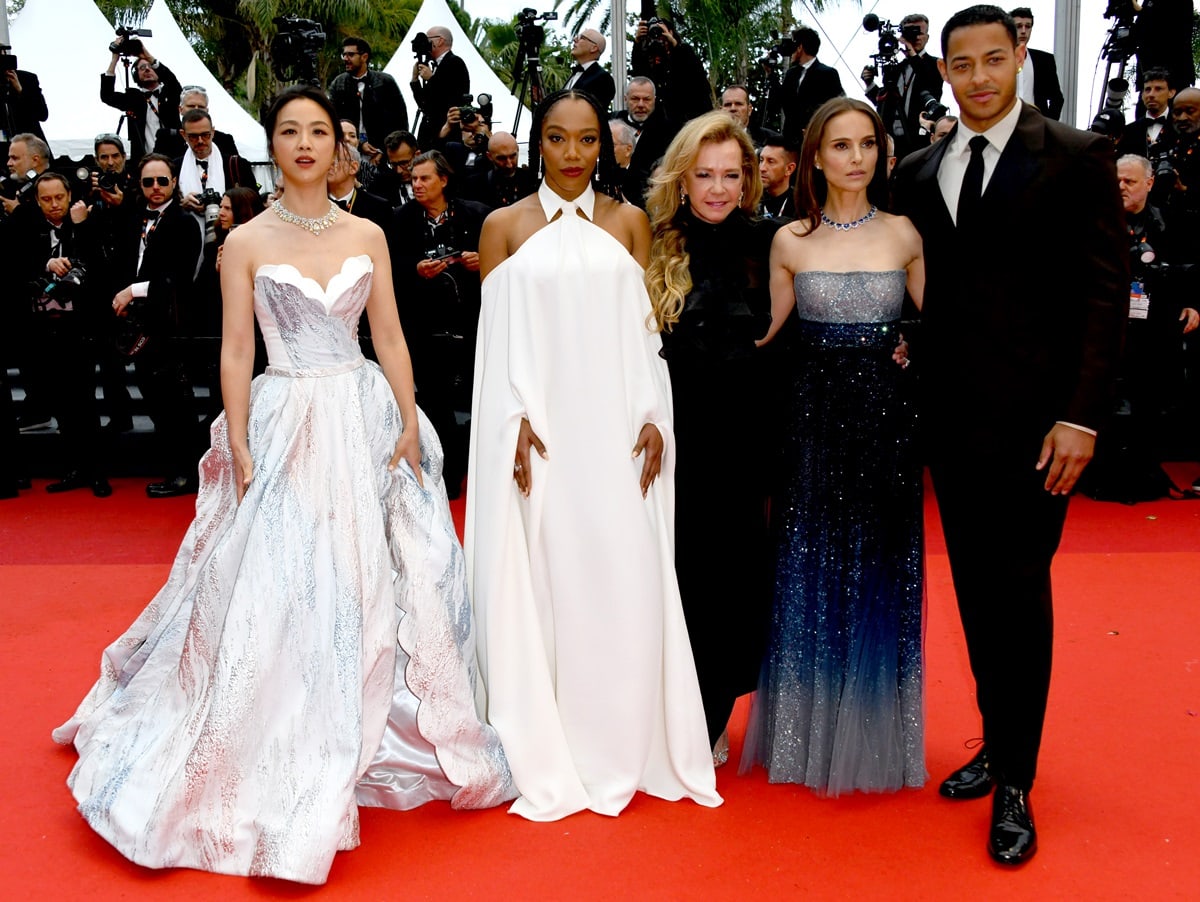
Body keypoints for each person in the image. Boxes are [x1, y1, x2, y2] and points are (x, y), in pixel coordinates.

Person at [52, 84, 514, 886]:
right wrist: (235, 436)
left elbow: (392, 336)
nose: (305, 143)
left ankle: (367, 718)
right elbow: (237, 350)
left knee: (374, 580)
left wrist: (408, 421)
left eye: (319, 132)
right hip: (285, 417)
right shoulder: (247, 241)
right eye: (290, 131)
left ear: (340, 146)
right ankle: (279, 728)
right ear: (273, 144)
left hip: (361, 414)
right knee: (282, 581)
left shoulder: (369, 230)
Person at [892, 5, 1127, 865]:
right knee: (979, 597)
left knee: (1019, 591)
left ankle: (1017, 780)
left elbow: (1105, 296)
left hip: (1041, 429)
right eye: (964, 63)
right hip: (952, 427)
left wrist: (1083, 415)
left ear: (1021, 57)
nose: (981, 77)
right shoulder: (917, 171)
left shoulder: (1074, 156)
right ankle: (997, 742)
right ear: (945, 71)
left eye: (996, 59)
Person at [467, 89, 721, 821]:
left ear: (603, 148)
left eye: (586, 141)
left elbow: (644, 334)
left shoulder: (629, 222)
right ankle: (547, 737)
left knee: (621, 571)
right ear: (537, 143)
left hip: (615, 429)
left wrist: (652, 415)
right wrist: (508, 421)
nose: (573, 154)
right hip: (540, 430)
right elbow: (495, 345)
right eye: (556, 139)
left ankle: (626, 736)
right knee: (546, 573)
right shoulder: (502, 226)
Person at [739, 97, 926, 798]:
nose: (855, 158)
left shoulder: (906, 234)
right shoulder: (789, 240)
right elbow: (766, 336)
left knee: (877, 569)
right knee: (811, 568)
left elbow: (940, 328)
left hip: (885, 424)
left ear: (881, 153)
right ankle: (807, 729)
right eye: (840, 145)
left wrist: (911, 349)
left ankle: (871, 729)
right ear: (814, 156)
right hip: (811, 423)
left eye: (867, 145)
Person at [644, 111, 781, 765]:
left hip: (744, 442)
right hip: (670, 441)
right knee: (673, 573)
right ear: (682, 177)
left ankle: (712, 714)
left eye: (731, 174)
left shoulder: (770, 245)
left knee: (731, 580)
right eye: (705, 175)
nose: (718, 188)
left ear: (748, 178)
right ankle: (666, 704)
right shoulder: (652, 244)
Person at [393, 150, 488, 500]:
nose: (416, 185)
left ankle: (476, 468)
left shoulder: (477, 214)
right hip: (425, 328)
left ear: (443, 180)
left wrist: (484, 260)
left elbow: (504, 258)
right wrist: (415, 270)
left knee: (478, 400)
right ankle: (446, 475)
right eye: (413, 179)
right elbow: (391, 268)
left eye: (424, 178)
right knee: (434, 404)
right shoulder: (401, 219)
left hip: (471, 324)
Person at [100, 38, 182, 164]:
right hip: (144, 160)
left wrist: (147, 55)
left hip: (174, 158)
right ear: (136, 75)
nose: (147, 70)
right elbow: (107, 95)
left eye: (150, 67)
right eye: (142, 67)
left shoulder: (170, 93)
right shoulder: (134, 98)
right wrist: (114, 59)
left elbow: (170, 79)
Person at [329, 36, 408, 161]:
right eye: (344, 55)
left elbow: (399, 120)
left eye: (350, 54)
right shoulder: (339, 83)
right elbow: (332, 120)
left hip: (382, 153)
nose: (345, 58)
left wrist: (384, 150)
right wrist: (360, 145)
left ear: (364, 57)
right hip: (347, 151)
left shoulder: (385, 82)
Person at [880, 13, 944, 160]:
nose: (914, 37)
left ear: (927, 37)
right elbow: (885, 101)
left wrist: (912, 54)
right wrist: (869, 85)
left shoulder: (935, 64)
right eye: (909, 32)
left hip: (920, 138)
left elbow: (930, 85)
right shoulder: (897, 68)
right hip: (894, 141)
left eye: (918, 32)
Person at [775, 28, 845, 144]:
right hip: (790, 141)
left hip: (815, 139)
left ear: (800, 47)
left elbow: (836, 106)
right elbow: (782, 102)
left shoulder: (828, 74)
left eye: (793, 45)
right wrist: (771, 75)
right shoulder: (791, 74)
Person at [411, 26, 470, 151]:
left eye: (428, 39)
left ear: (440, 41)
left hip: (445, 135)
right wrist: (415, 80)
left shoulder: (455, 63)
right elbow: (424, 104)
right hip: (428, 135)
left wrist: (432, 79)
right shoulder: (433, 65)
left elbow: (452, 99)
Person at [1010, 8, 1063, 120]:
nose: (1024, 31)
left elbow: (1057, 98)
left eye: (1028, 26)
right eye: (1019, 26)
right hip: (1005, 127)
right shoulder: (998, 61)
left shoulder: (1044, 60)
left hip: (1035, 126)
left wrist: (1048, 126)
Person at [564, 28, 615, 112]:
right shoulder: (575, 74)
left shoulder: (603, 79)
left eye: (582, 38)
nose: (575, 39)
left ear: (594, 48)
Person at [758, 135, 798, 218]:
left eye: (771, 162)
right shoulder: (749, 202)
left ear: (789, 169)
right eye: (761, 160)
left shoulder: (802, 208)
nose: (762, 168)